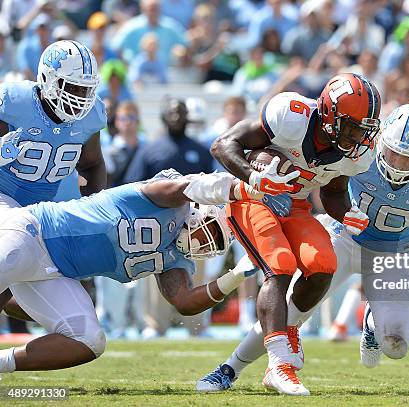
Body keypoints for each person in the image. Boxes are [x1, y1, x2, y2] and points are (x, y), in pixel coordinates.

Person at [196, 104, 409, 391]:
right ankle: (229, 369)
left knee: (396, 345)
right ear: (381, 140)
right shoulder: (360, 150)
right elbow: (323, 189)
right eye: (393, 152)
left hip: (394, 253)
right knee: (287, 312)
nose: (397, 162)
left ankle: (371, 323)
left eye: (408, 158)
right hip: (343, 237)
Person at [0, 169, 289, 374]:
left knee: (88, 340)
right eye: (211, 231)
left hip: (53, 274)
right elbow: (184, 187)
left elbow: (185, 303)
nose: (206, 244)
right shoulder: (165, 199)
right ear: (202, 210)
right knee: (9, 262)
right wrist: (246, 187)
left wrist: (234, 276)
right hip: (32, 233)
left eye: (214, 244)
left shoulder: (175, 258)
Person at [209, 73, 380, 395]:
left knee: (323, 264)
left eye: (364, 129)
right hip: (251, 198)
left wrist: (349, 214)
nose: (359, 136)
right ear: (329, 115)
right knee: (281, 265)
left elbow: (332, 194)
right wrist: (254, 177)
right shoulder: (290, 115)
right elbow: (223, 145)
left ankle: (286, 333)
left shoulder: (355, 153)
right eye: (353, 127)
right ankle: (279, 364)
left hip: (296, 206)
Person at [0, 40, 107, 210]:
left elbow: (91, 165)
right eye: (73, 87)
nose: (81, 99)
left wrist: (94, 207)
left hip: (42, 209)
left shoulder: (90, 116)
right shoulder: (13, 103)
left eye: (86, 89)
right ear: (48, 79)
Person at [124, 98, 214, 182]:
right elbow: (133, 185)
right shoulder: (147, 151)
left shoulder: (202, 151)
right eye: (171, 113)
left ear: (187, 116)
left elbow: (211, 186)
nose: (176, 117)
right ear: (164, 117)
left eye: (180, 113)